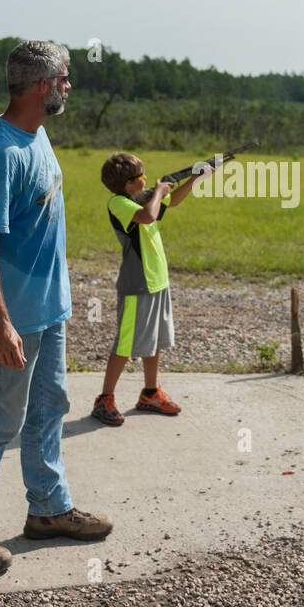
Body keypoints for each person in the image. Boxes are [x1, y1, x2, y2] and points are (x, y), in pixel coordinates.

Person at [0, 40, 111, 576]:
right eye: (64, 78)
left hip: (48, 309)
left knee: (49, 407)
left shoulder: (37, 135)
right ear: (42, 85)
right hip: (15, 319)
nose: (68, 86)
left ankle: (49, 510)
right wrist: (0, 325)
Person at [91, 152, 213, 425]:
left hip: (157, 280)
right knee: (124, 344)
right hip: (137, 284)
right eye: (141, 178)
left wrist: (195, 179)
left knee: (154, 341)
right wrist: (157, 191)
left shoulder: (145, 198)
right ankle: (105, 399)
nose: (146, 180)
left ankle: (150, 392)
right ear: (128, 185)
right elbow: (148, 216)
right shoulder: (118, 203)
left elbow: (174, 200)